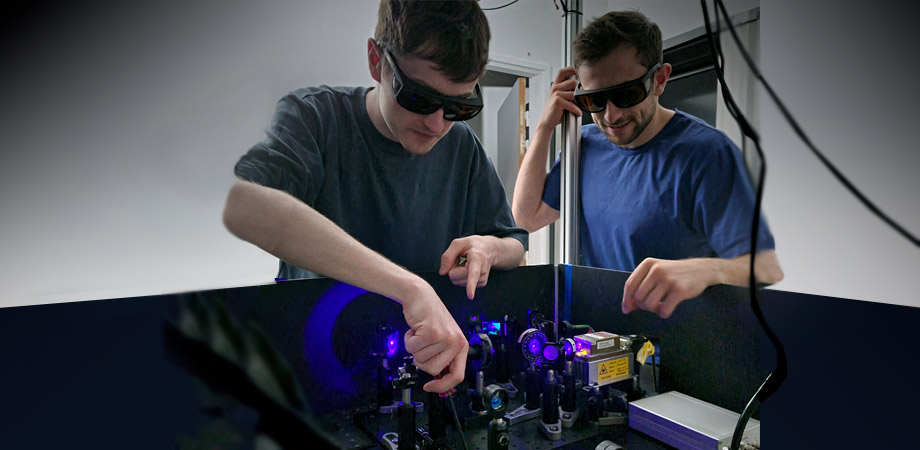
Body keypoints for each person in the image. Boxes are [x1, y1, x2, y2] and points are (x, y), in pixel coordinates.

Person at [222, 0, 527, 393]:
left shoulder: (462, 147)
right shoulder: (315, 119)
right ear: (375, 61)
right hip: (323, 374)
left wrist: (488, 247)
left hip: (427, 374)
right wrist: (410, 287)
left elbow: (516, 245)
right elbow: (245, 205)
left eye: (458, 106)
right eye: (418, 98)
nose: (436, 125)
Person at [513, 11, 783, 320]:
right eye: (595, 101)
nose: (611, 116)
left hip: (677, 347)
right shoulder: (582, 147)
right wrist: (545, 126)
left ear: (660, 79)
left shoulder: (708, 154)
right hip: (599, 340)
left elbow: (766, 267)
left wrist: (706, 269)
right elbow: (523, 219)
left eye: (626, 95)